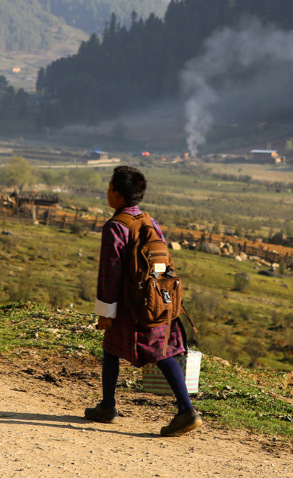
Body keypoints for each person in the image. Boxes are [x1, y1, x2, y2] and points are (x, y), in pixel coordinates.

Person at [85, 165, 203, 437]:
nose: (108, 192)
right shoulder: (151, 221)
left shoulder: (115, 227)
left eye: (109, 187)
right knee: (136, 349)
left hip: (131, 305)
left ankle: (185, 411)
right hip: (158, 300)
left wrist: (106, 312)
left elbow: (109, 274)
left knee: (147, 352)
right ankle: (108, 406)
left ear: (116, 194)